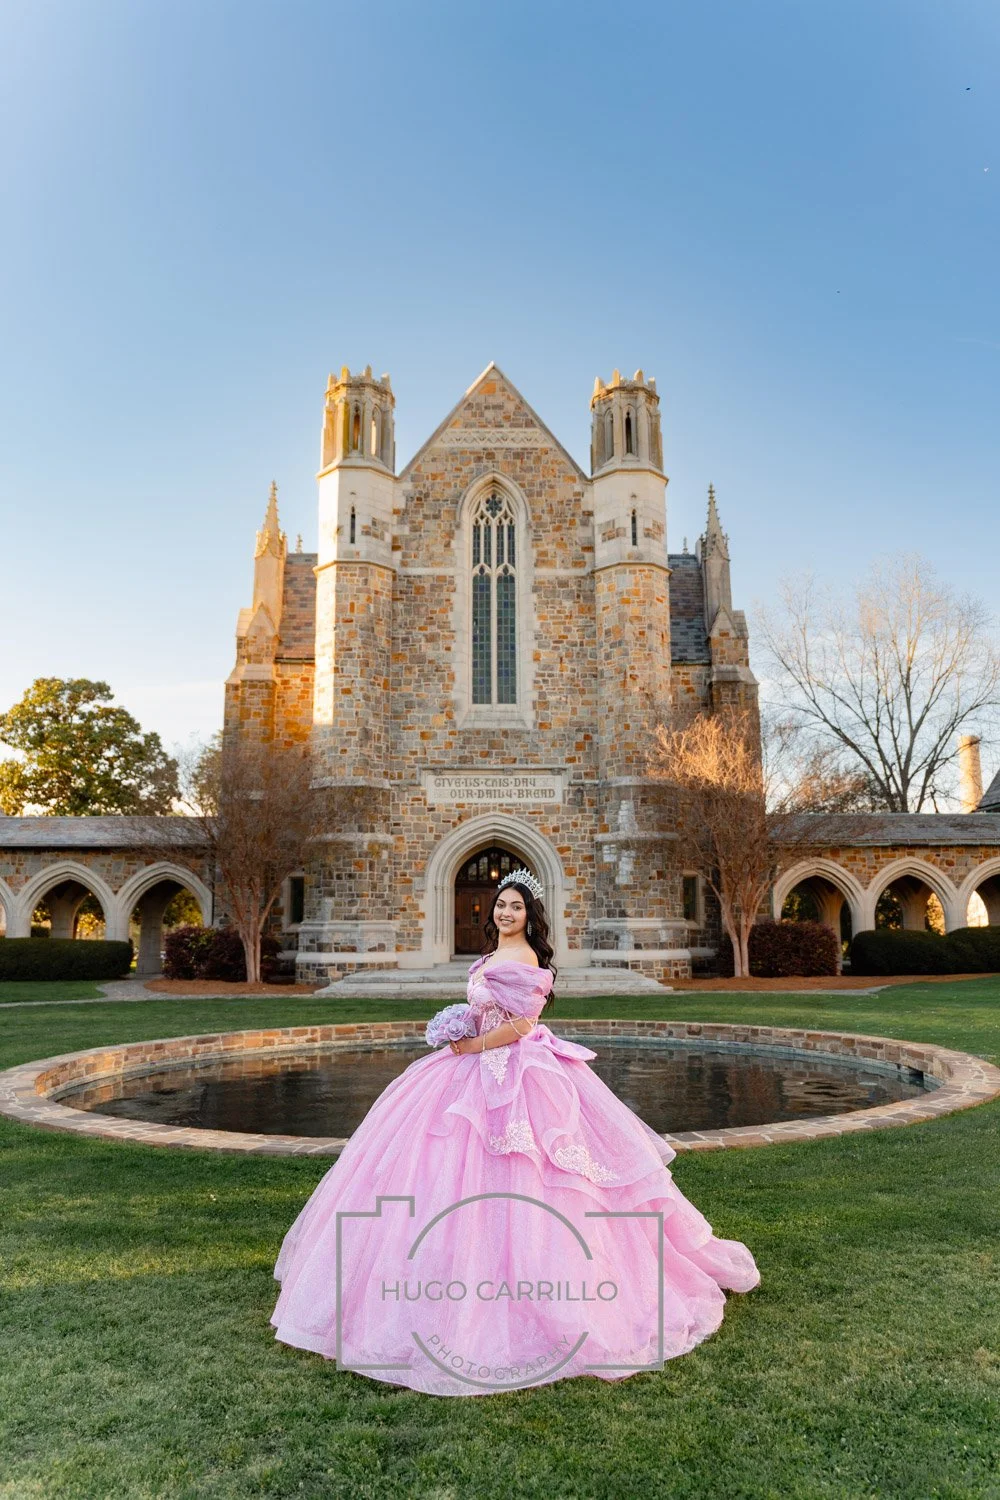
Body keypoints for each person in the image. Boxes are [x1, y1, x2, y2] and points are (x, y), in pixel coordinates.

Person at [271, 869, 760, 1396]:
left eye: (515, 907)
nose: (505, 913)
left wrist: (469, 1045)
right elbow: (488, 1011)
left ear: (531, 915)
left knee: (528, 1170)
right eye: (501, 905)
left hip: (513, 1072)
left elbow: (522, 1026)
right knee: (431, 1168)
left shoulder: (525, 959)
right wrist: (459, 1027)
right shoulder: (490, 956)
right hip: (469, 1068)